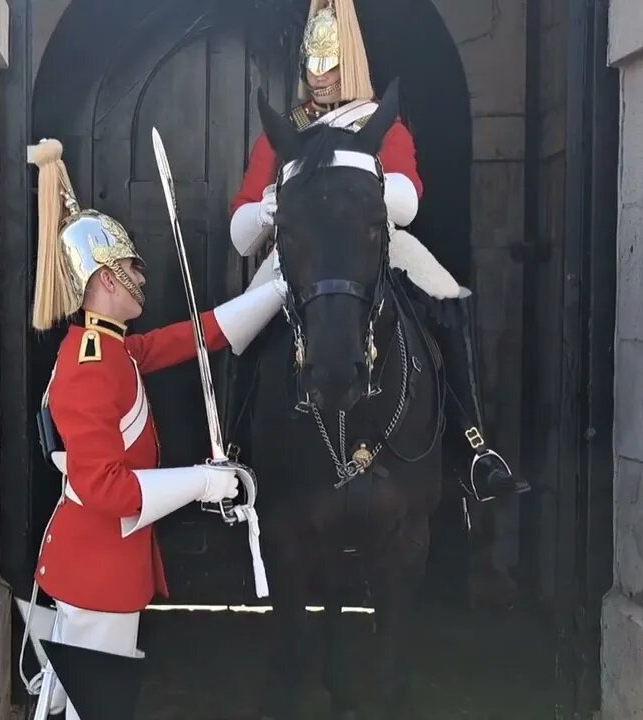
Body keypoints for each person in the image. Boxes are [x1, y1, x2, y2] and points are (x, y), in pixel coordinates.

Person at [18, 139, 286, 719]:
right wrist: (202, 483)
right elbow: (108, 490)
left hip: (100, 566)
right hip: (97, 571)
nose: (142, 272)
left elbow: (186, 339)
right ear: (107, 280)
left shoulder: (109, 348)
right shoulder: (92, 364)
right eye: (132, 264)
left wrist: (277, 292)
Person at [226, 0, 529, 503]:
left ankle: (473, 446)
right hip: (300, 254)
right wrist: (273, 205)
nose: (321, 79)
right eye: (313, 67)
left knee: (446, 294)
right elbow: (241, 235)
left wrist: (343, 185)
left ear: (353, 63)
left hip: (375, 243)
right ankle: (234, 451)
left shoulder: (380, 123)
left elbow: (406, 202)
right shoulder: (282, 132)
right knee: (241, 324)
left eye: (332, 66)